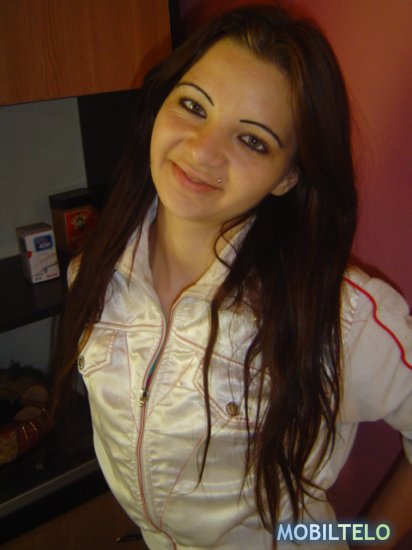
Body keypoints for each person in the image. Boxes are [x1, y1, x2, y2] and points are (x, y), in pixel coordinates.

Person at [50, 4, 412, 549]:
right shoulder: (93, 271)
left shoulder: (338, 314)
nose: (202, 150)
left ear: (288, 177)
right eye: (194, 106)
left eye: (253, 140)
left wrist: (366, 539)